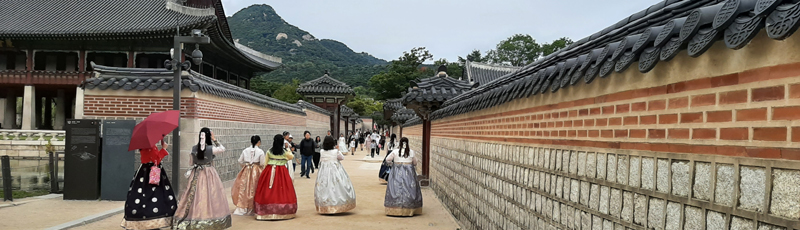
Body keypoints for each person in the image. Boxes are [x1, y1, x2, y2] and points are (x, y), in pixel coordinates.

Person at [174, 128, 231, 229]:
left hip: (196, 173)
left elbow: (191, 163)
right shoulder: (211, 148)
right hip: (209, 172)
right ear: (209, 136)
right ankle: (210, 218)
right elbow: (222, 148)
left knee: (194, 194)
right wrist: (215, 139)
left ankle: (192, 217)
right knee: (211, 194)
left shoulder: (193, 148)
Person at [121, 140, 177, 229]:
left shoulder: (146, 145)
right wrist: (164, 148)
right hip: (150, 173)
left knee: (142, 195)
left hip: (145, 171)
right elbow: (156, 159)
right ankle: (151, 219)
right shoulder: (149, 146)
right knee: (154, 195)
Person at [254, 135, 297, 220]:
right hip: (282, 172)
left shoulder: (269, 151)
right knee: (282, 190)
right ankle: (283, 210)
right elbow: (291, 156)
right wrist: (288, 149)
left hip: (269, 171)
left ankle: (266, 210)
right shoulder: (284, 152)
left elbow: (265, 163)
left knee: (268, 190)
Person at [314, 136, 357, 214]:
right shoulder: (335, 151)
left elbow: (321, 160)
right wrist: (338, 150)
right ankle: (338, 203)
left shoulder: (322, 151)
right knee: (337, 186)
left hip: (324, 171)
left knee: (325, 186)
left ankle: (325, 205)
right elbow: (341, 158)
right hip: (335, 170)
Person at [383, 137, 422, 216]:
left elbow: (387, 159)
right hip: (409, 173)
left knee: (395, 188)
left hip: (397, 172)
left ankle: (395, 208)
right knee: (410, 188)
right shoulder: (411, 152)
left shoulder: (395, 151)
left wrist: (393, 164)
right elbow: (415, 163)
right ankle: (410, 209)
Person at [231, 135, 265, 216]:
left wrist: (245, 166)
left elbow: (240, 160)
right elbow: (262, 163)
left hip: (246, 170)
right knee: (255, 187)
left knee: (244, 188)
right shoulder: (260, 151)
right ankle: (253, 206)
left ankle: (243, 206)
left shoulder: (245, 150)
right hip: (256, 171)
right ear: (259, 142)